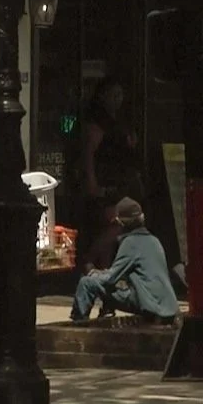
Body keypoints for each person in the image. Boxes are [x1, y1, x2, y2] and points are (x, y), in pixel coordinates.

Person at [66, 74, 141, 270]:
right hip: (105, 181)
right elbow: (88, 152)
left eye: (120, 95)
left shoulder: (119, 120)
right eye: (113, 95)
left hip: (120, 180)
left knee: (112, 224)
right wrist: (91, 181)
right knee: (117, 222)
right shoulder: (97, 121)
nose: (118, 99)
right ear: (103, 96)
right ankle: (89, 260)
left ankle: (103, 268)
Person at [70, 198, 179, 324]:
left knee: (87, 282)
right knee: (109, 282)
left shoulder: (131, 243)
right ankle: (106, 313)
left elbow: (110, 278)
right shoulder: (154, 240)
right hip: (166, 305)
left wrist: (94, 273)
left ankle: (78, 323)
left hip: (149, 304)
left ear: (121, 224)